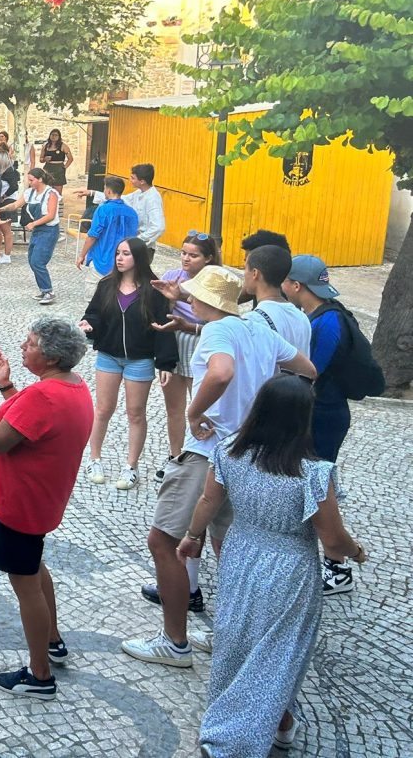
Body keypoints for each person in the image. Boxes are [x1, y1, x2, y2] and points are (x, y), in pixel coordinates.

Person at [123, 266, 315, 669]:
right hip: (248, 453)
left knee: (164, 541)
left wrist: (195, 413)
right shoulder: (258, 329)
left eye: (193, 294)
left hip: (209, 451)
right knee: (226, 545)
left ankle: (174, 642)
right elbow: (306, 370)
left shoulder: (216, 332)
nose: (189, 299)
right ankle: (229, 633)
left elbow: (222, 372)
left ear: (205, 300)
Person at [179, 375, 368, 757]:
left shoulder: (229, 451)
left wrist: (192, 536)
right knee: (279, 652)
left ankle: (278, 723)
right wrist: (357, 551)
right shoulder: (313, 472)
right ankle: (235, 741)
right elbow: (332, 539)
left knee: (236, 641)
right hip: (290, 569)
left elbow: (208, 501)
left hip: (239, 557)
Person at [0, 317, 91, 700]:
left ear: (50, 356)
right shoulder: (74, 386)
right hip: (44, 499)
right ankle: (53, 640)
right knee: (33, 567)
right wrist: (4, 386)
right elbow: (30, 423)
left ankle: (40, 675)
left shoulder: (43, 395)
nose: (22, 346)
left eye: (30, 343)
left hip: (22, 502)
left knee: (25, 584)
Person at [284, 254, 370, 596]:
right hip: (319, 412)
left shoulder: (328, 322)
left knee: (320, 491)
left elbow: (312, 371)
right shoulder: (318, 315)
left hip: (325, 416)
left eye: (285, 282)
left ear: (296, 285)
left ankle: (338, 569)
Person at [79, 238, 177, 489]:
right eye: (118, 253)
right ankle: (94, 459)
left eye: (126, 254)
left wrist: (166, 363)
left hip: (140, 360)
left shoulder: (154, 291)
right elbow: (94, 314)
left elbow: (164, 326)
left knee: (136, 413)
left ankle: (131, 466)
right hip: (108, 356)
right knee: (103, 409)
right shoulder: (106, 285)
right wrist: (89, 325)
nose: (119, 258)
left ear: (139, 258)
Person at [154, 232, 221, 474]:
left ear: (208, 258)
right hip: (173, 343)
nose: (186, 258)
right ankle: (175, 457)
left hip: (201, 341)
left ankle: (203, 460)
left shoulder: (216, 281)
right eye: (183, 253)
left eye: (193, 255)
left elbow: (218, 320)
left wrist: (189, 324)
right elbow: (160, 312)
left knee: (202, 407)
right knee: (174, 408)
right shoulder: (171, 276)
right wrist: (169, 304)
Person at [0, 168, 61, 305]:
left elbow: (51, 215)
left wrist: (33, 223)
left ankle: (48, 291)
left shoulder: (51, 193)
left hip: (49, 230)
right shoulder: (29, 193)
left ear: (40, 179)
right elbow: (15, 205)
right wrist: (2, 209)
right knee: (32, 260)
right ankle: (43, 290)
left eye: (31, 180)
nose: (29, 183)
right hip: (37, 230)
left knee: (38, 261)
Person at [241, 245, 312, 355]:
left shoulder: (253, 321)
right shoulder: (302, 317)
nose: (244, 274)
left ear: (255, 273)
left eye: (245, 268)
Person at [74, 176, 138, 277]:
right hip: (123, 265)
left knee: (95, 286)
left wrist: (82, 255)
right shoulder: (132, 212)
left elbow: (92, 236)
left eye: (104, 189)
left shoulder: (103, 209)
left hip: (101, 261)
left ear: (108, 191)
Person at [34, 129, 72, 193]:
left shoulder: (63, 146)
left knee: (58, 190)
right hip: (48, 168)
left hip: (58, 169)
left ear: (59, 137)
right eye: (52, 135)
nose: (54, 136)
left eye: (56, 135)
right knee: (46, 188)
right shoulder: (45, 146)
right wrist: (45, 159)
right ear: (50, 136)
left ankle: (57, 199)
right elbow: (41, 159)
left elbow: (70, 158)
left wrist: (64, 167)